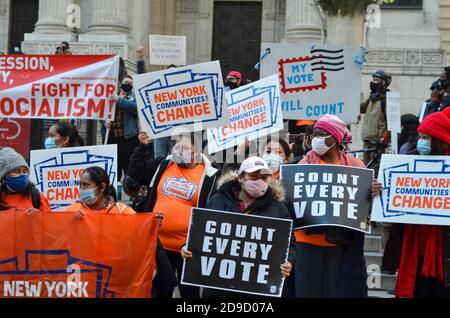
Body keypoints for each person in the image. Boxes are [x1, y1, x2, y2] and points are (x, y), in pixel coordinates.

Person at [181, 156, 296, 298]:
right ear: (241, 178)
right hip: (218, 286)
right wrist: (187, 246)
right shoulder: (218, 200)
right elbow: (201, 231)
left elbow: (290, 242)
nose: (259, 181)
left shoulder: (278, 209)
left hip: (256, 289)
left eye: (264, 177)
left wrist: (288, 260)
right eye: (253, 176)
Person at [294, 115, 382, 298]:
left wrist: (370, 192)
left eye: (321, 134)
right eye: (314, 134)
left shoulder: (356, 165)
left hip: (339, 243)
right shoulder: (305, 162)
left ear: (334, 138)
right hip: (307, 242)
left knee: (333, 292)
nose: (315, 139)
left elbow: (363, 208)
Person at [128, 131, 220, 298]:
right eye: (177, 147)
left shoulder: (210, 175)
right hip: (159, 246)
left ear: (197, 152)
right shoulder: (164, 164)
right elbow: (136, 173)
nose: (179, 151)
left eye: (185, 148)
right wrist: (142, 147)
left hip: (189, 249)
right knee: (160, 290)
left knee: (189, 294)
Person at [382, 108, 450, 298]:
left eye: (427, 137)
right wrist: (381, 191)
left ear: (440, 140)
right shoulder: (408, 163)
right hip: (414, 250)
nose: (422, 142)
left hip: (443, 253)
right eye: (420, 136)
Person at [106, 74, 140, 181]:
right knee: (114, 167)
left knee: (129, 167)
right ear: (120, 84)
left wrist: (119, 100)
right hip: (113, 137)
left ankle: (129, 190)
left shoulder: (134, 98)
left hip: (129, 138)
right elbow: (103, 113)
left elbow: (135, 109)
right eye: (126, 82)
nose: (129, 85)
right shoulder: (111, 97)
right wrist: (104, 122)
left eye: (131, 83)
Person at [65, 166, 135, 215]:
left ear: (102, 187)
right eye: (80, 185)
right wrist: (72, 221)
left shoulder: (122, 212)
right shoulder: (73, 210)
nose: (81, 189)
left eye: (86, 185)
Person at [0, 148, 51, 212]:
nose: (22, 175)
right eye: (16, 171)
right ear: (4, 175)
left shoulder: (37, 197)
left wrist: (39, 216)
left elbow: (49, 221)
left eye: (25, 171)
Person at [360, 70, 391, 164]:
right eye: (373, 80)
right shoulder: (371, 98)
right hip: (366, 140)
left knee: (375, 168)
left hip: (377, 143)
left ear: (384, 82)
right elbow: (361, 109)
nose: (373, 83)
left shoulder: (386, 100)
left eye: (376, 80)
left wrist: (386, 138)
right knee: (366, 168)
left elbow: (391, 122)